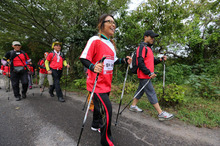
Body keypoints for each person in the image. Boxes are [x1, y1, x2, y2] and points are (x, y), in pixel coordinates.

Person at [80, 14, 132, 146]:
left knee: (98, 108)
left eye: (114, 23)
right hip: (96, 84)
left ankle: (95, 125)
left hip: (107, 83)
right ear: (101, 24)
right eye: (110, 22)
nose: (113, 25)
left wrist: (124, 60)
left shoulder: (111, 44)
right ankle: (107, 141)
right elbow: (84, 58)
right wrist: (93, 66)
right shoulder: (94, 40)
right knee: (108, 111)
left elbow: (113, 61)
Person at [129, 30, 174, 121]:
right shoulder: (141, 47)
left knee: (140, 90)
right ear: (145, 37)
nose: (153, 39)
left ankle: (133, 106)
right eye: (151, 37)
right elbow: (140, 62)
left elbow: (152, 61)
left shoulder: (148, 48)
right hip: (144, 75)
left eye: (153, 37)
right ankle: (160, 113)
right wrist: (149, 73)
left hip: (146, 75)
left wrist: (160, 60)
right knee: (151, 92)